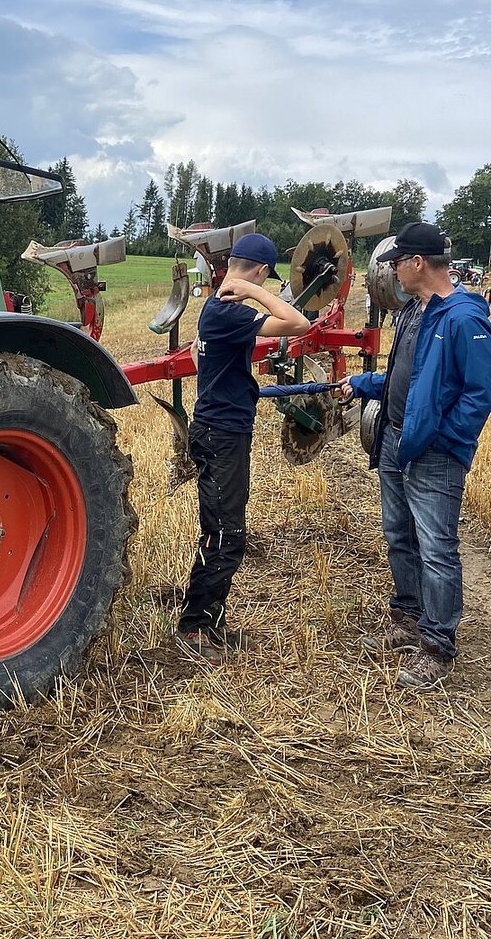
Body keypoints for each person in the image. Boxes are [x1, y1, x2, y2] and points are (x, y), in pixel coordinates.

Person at [340, 222, 491, 690]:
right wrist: (364, 385)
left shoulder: (463, 319)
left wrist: (444, 440)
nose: (392, 271)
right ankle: (408, 620)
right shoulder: (413, 312)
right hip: (394, 441)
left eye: (396, 263)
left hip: (433, 452)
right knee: (399, 536)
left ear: (417, 263)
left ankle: (436, 646)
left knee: (436, 548)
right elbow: (407, 378)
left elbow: (480, 394)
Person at [176, 232, 316, 663]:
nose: (263, 285)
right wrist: (255, 292)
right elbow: (299, 324)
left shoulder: (215, 309)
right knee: (225, 534)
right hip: (222, 434)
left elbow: (200, 357)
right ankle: (195, 628)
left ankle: (211, 622)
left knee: (225, 529)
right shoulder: (228, 310)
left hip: (220, 429)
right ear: (259, 270)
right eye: (264, 278)